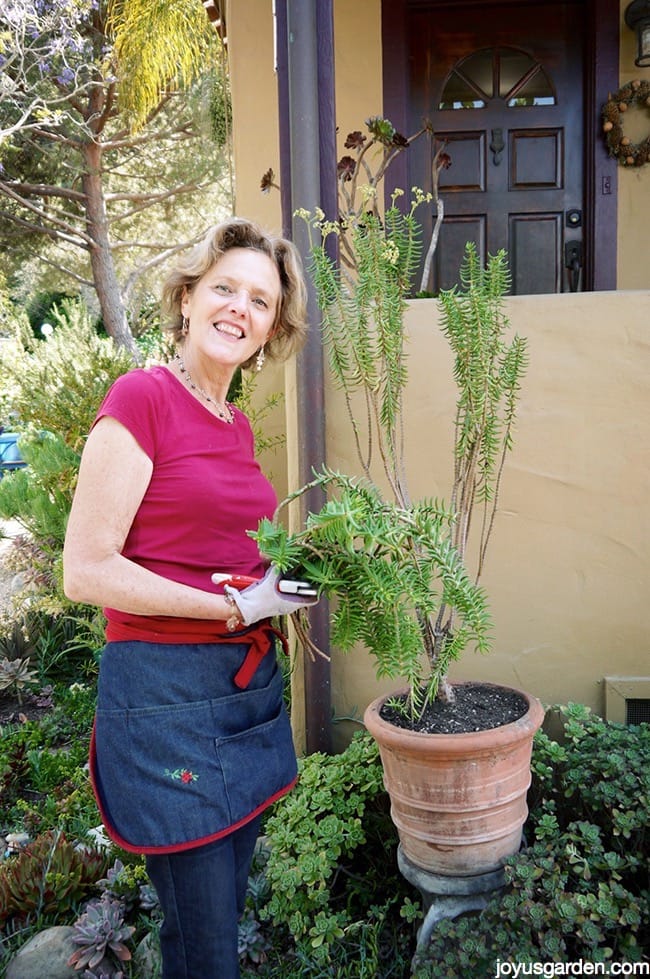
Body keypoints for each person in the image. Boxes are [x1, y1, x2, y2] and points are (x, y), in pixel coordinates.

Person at [63, 218, 319, 978]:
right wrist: (241, 609)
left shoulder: (235, 424)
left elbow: (213, 551)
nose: (241, 307)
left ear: (274, 327)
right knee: (207, 948)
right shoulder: (141, 397)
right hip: (167, 704)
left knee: (220, 917)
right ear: (187, 299)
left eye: (261, 301)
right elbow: (86, 569)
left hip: (239, 697)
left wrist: (282, 580)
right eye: (225, 288)